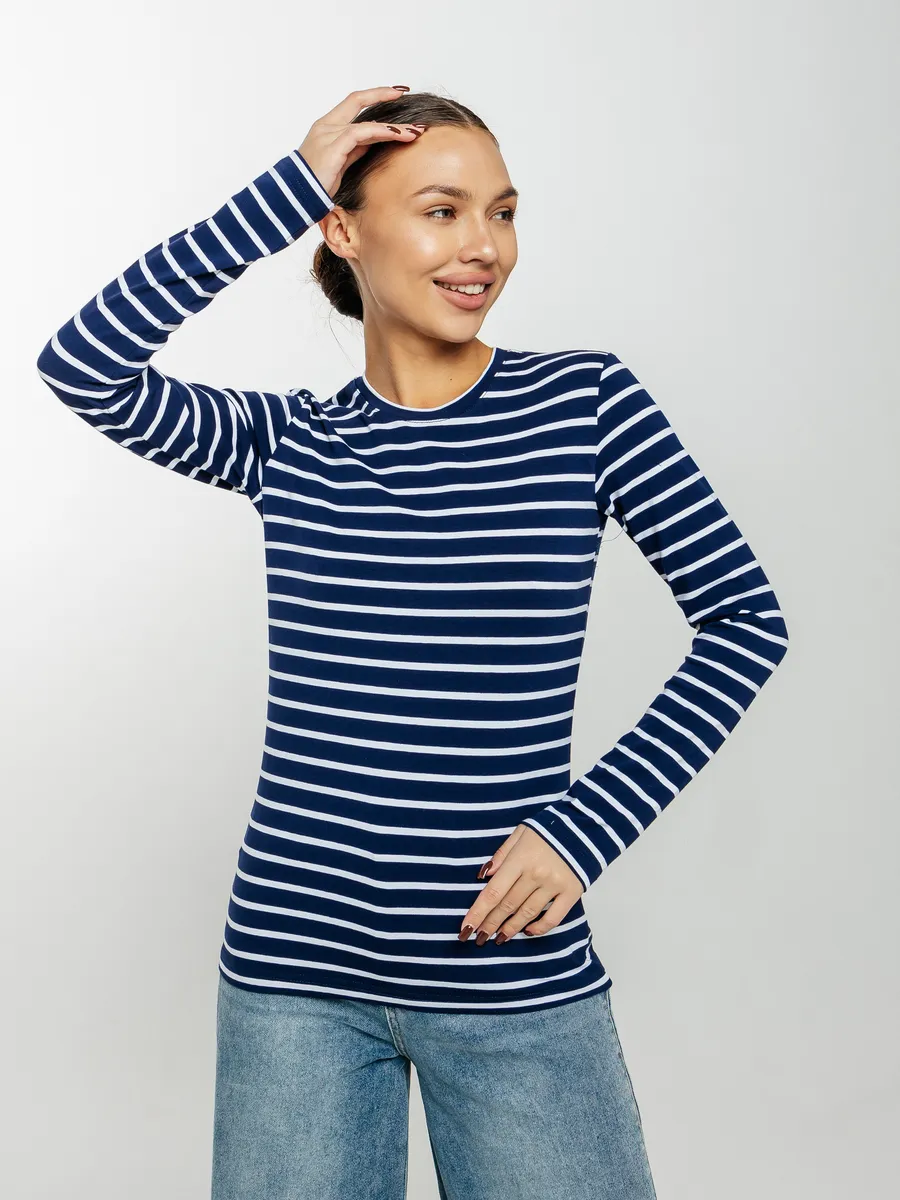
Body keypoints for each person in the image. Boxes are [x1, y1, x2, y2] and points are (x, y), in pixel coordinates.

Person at [36, 85, 789, 1200]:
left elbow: (744, 622)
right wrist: (284, 190)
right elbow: (83, 364)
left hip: (508, 975)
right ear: (343, 231)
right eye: (442, 211)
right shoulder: (290, 443)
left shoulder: (587, 405)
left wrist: (582, 832)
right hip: (294, 981)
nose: (485, 245)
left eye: (503, 212)